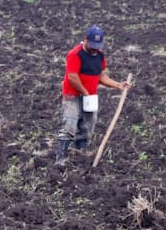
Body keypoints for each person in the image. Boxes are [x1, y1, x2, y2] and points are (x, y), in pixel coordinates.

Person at [55, 25, 130, 169]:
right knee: (69, 125)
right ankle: (60, 160)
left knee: (87, 126)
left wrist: (118, 85)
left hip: (90, 96)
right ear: (85, 40)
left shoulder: (100, 55)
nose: (95, 49)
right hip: (73, 95)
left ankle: (80, 154)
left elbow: (101, 75)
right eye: (92, 45)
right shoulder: (74, 54)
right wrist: (84, 91)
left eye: (98, 45)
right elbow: (72, 77)